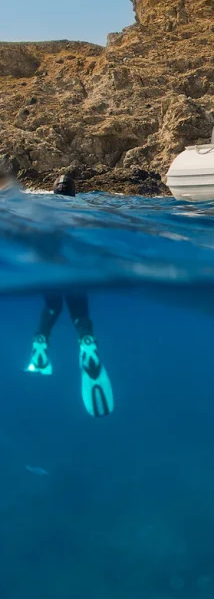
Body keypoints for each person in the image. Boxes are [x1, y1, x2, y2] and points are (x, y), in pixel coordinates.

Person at [25, 174, 114, 417]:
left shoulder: (41, 209)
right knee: (79, 312)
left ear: (54, 192)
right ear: (74, 193)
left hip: (47, 268)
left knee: (53, 307)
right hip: (75, 268)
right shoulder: (82, 209)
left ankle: (40, 342)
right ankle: (87, 343)